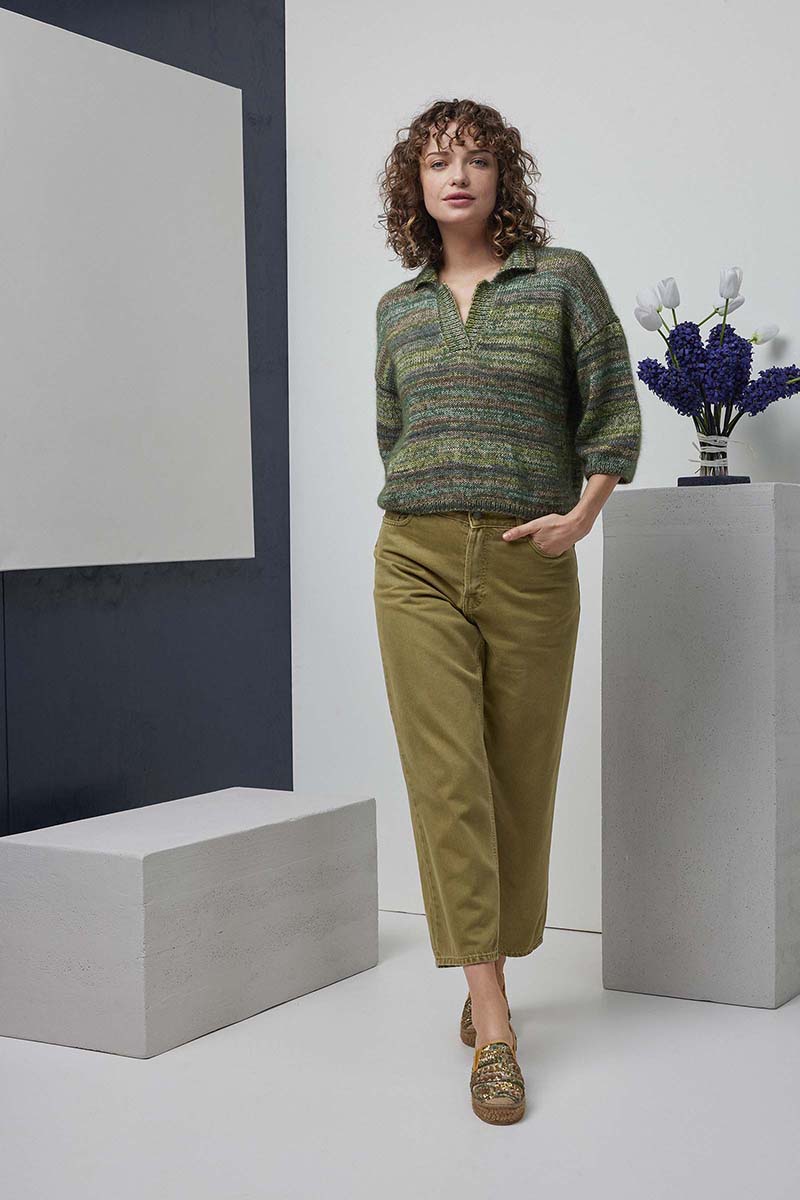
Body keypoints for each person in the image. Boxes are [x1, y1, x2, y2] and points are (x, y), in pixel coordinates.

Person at [372, 98, 642, 1124]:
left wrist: (582, 514)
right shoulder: (398, 309)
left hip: (532, 562)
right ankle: (492, 1020)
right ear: (414, 184)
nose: (457, 177)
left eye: (476, 160)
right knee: (447, 780)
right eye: (437, 162)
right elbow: (394, 431)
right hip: (416, 558)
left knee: (516, 783)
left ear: (502, 177)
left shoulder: (560, 279)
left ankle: (487, 960)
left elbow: (609, 405)